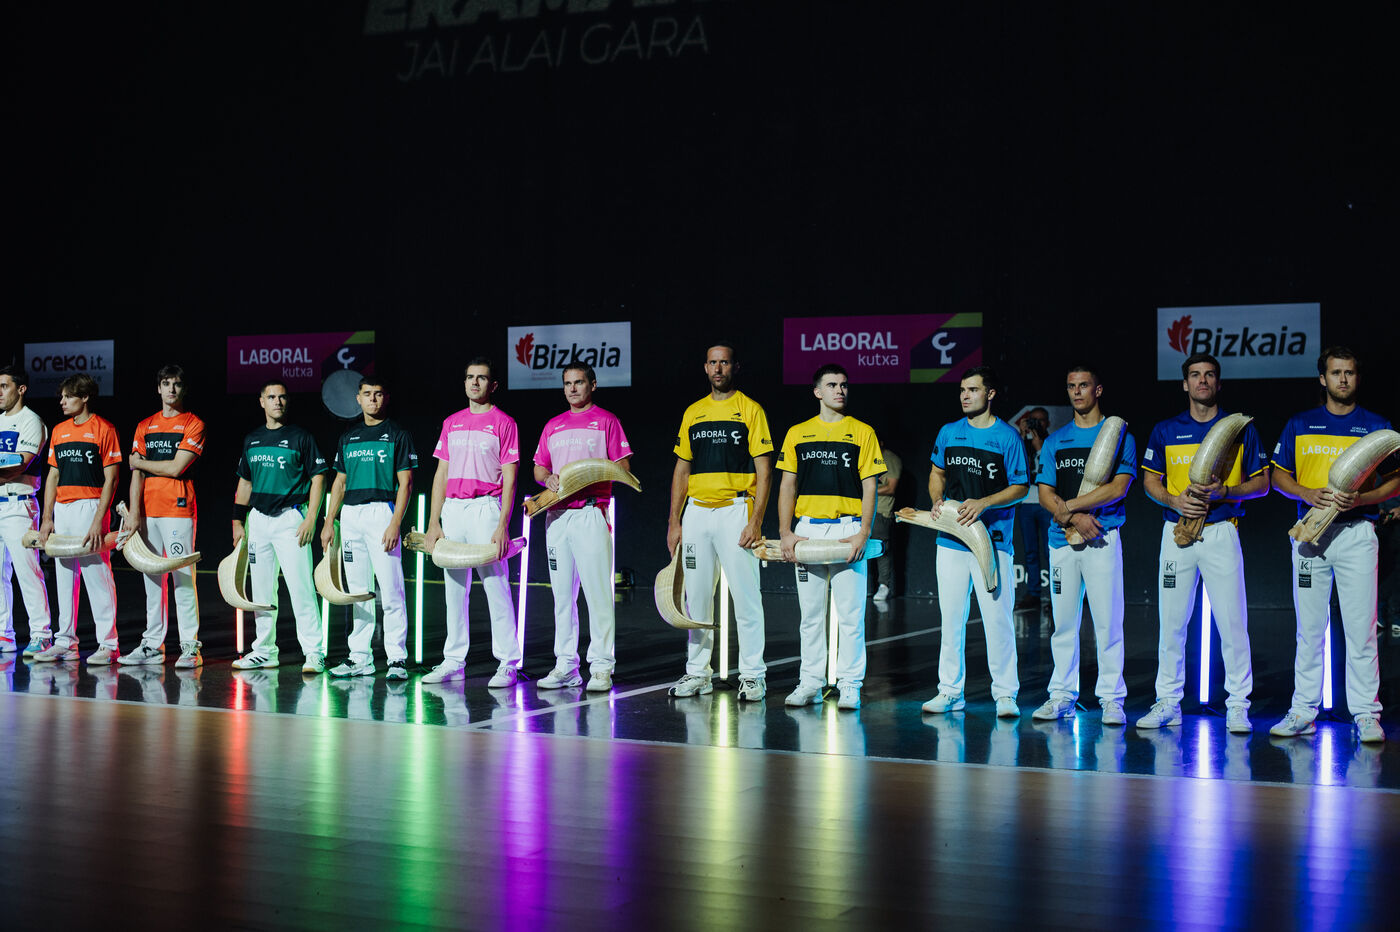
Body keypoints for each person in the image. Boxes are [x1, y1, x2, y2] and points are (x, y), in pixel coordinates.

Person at [1269, 347, 1400, 744]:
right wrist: (1307, 493)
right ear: (1322, 379)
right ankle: (1302, 711)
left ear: (1358, 378)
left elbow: (1395, 482)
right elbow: (1278, 476)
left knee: (1361, 630)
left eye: (1350, 373)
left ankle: (1366, 714)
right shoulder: (1300, 423)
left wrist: (1362, 499)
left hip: (1357, 533)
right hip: (1311, 535)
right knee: (1310, 630)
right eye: (1336, 372)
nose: (1343, 379)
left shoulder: (1376, 426)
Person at [1137, 352, 1268, 733]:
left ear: (1218, 383)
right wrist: (1173, 500)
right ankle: (1167, 701)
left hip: (1221, 529)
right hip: (1176, 532)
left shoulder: (1240, 429)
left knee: (1232, 622)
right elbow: (1150, 481)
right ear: (1185, 384)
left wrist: (1226, 491)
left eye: (1209, 375)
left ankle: (1238, 704)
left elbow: (1262, 484)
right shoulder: (1165, 430)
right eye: (1195, 375)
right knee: (1171, 624)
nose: (1202, 381)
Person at [666, 343, 774, 701]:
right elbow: (682, 469)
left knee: (746, 598)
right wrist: (674, 521)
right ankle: (698, 673)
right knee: (696, 599)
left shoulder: (750, 410)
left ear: (734, 367)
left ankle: (753, 675)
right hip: (696, 513)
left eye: (724, 362)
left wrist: (756, 519)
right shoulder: (693, 412)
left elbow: (764, 469)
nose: (718, 368)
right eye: (712, 362)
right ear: (705, 367)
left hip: (736, 510)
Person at [1030, 364, 1136, 725]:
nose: (1077, 392)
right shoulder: (1056, 441)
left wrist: (1071, 507)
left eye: (1084, 385)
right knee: (1063, 624)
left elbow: (1118, 488)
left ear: (1098, 390)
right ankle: (1062, 695)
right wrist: (1074, 518)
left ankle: (1112, 698)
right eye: (1071, 386)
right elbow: (1045, 493)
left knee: (1108, 622)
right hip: (1062, 541)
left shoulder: (1119, 435)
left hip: (1102, 537)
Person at [921, 366, 1028, 718]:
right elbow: (936, 473)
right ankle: (950, 692)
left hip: (993, 542)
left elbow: (1020, 487)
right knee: (951, 619)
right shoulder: (949, 432)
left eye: (973, 390)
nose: (965, 396)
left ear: (990, 393)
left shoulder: (1008, 437)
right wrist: (937, 499)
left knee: (998, 620)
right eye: (962, 390)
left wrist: (984, 503)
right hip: (951, 541)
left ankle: (1006, 694)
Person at [775, 363, 884, 711]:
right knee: (810, 616)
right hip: (807, 532)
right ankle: (810, 682)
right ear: (817, 392)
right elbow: (787, 485)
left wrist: (863, 531)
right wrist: (786, 532)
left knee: (851, 615)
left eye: (844, 385)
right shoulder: (797, 433)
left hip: (847, 531)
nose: (840, 390)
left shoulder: (863, 432)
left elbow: (871, 487)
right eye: (833, 385)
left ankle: (850, 684)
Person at [533, 364, 632, 693]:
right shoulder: (553, 425)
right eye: (567, 383)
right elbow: (539, 468)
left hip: (591, 513)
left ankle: (601, 666)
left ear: (593, 385)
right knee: (562, 596)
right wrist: (547, 478)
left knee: (598, 595)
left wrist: (589, 475)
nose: (572, 388)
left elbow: (623, 466)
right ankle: (566, 666)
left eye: (579, 382)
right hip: (556, 517)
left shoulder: (606, 421)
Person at [421, 358, 520, 687]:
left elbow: (510, 478)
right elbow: (441, 474)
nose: (475, 382)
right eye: (470, 377)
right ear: (464, 382)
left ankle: (507, 662)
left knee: (496, 586)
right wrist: (434, 522)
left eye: (482, 378)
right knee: (454, 590)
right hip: (453, 511)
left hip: (485, 509)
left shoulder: (504, 423)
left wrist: (502, 524)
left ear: (493, 385)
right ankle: (453, 660)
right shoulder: (451, 422)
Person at [322, 376, 417, 681]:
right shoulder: (348, 437)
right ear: (358, 399)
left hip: (381, 514)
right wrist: (329, 521)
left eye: (378, 394)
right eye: (367, 394)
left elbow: (406, 484)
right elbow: (339, 483)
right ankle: (360, 657)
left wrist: (395, 523)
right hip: (351, 516)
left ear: (385, 398)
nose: (372, 399)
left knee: (391, 590)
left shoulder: (398, 434)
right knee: (358, 591)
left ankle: (397, 658)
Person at [230, 381, 329, 672]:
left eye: (282, 397)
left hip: (291, 520)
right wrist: (237, 521)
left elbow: (319, 478)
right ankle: (264, 651)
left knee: (301, 589)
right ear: (262, 401)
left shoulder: (301, 437)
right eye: (271, 397)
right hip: (258, 521)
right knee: (261, 591)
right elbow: (245, 483)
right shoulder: (252, 439)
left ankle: (314, 652)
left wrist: (311, 518)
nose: (277, 402)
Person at [119, 365, 206, 669]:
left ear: (184, 389)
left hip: (178, 509)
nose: (171, 389)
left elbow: (176, 468)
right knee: (151, 579)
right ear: (158, 388)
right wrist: (134, 513)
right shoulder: (145, 425)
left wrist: (140, 463)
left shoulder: (193, 423)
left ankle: (190, 647)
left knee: (182, 578)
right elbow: (135, 475)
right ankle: (152, 645)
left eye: (177, 384)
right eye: (166, 383)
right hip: (147, 513)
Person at [32, 374, 122, 664]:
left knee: (97, 576)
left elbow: (111, 479)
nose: (62, 401)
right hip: (63, 509)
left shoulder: (104, 429)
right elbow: (53, 476)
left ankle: (108, 644)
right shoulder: (59, 430)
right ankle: (66, 641)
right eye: (62, 396)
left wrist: (98, 520)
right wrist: (47, 518)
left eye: (68, 396)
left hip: (90, 506)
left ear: (84, 397)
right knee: (64, 577)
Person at [0, 366, 52, 656]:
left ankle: (41, 634)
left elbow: (20, 462)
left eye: (4, 386)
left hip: (18, 504)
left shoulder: (31, 421)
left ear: (21, 389)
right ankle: (4, 634)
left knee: (27, 572)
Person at [1015, 407, 1052, 611]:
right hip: (1026, 504)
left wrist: (1040, 450)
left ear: (1048, 423)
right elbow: (1016, 469)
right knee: (1030, 551)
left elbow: (1047, 473)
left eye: (1040, 420)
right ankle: (1034, 593)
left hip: (1047, 504)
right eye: (1033, 420)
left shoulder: (1052, 443)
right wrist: (1022, 436)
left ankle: (1056, 595)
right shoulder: (1023, 444)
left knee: (1050, 551)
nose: (1037, 424)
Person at [871, 445, 903, 602]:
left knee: (881, 549)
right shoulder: (866, 455)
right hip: (861, 510)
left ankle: (884, 585)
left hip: (881, 511)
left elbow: (891, 487)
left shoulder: (890, 459)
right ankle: (863, 585)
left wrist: (867, 490)